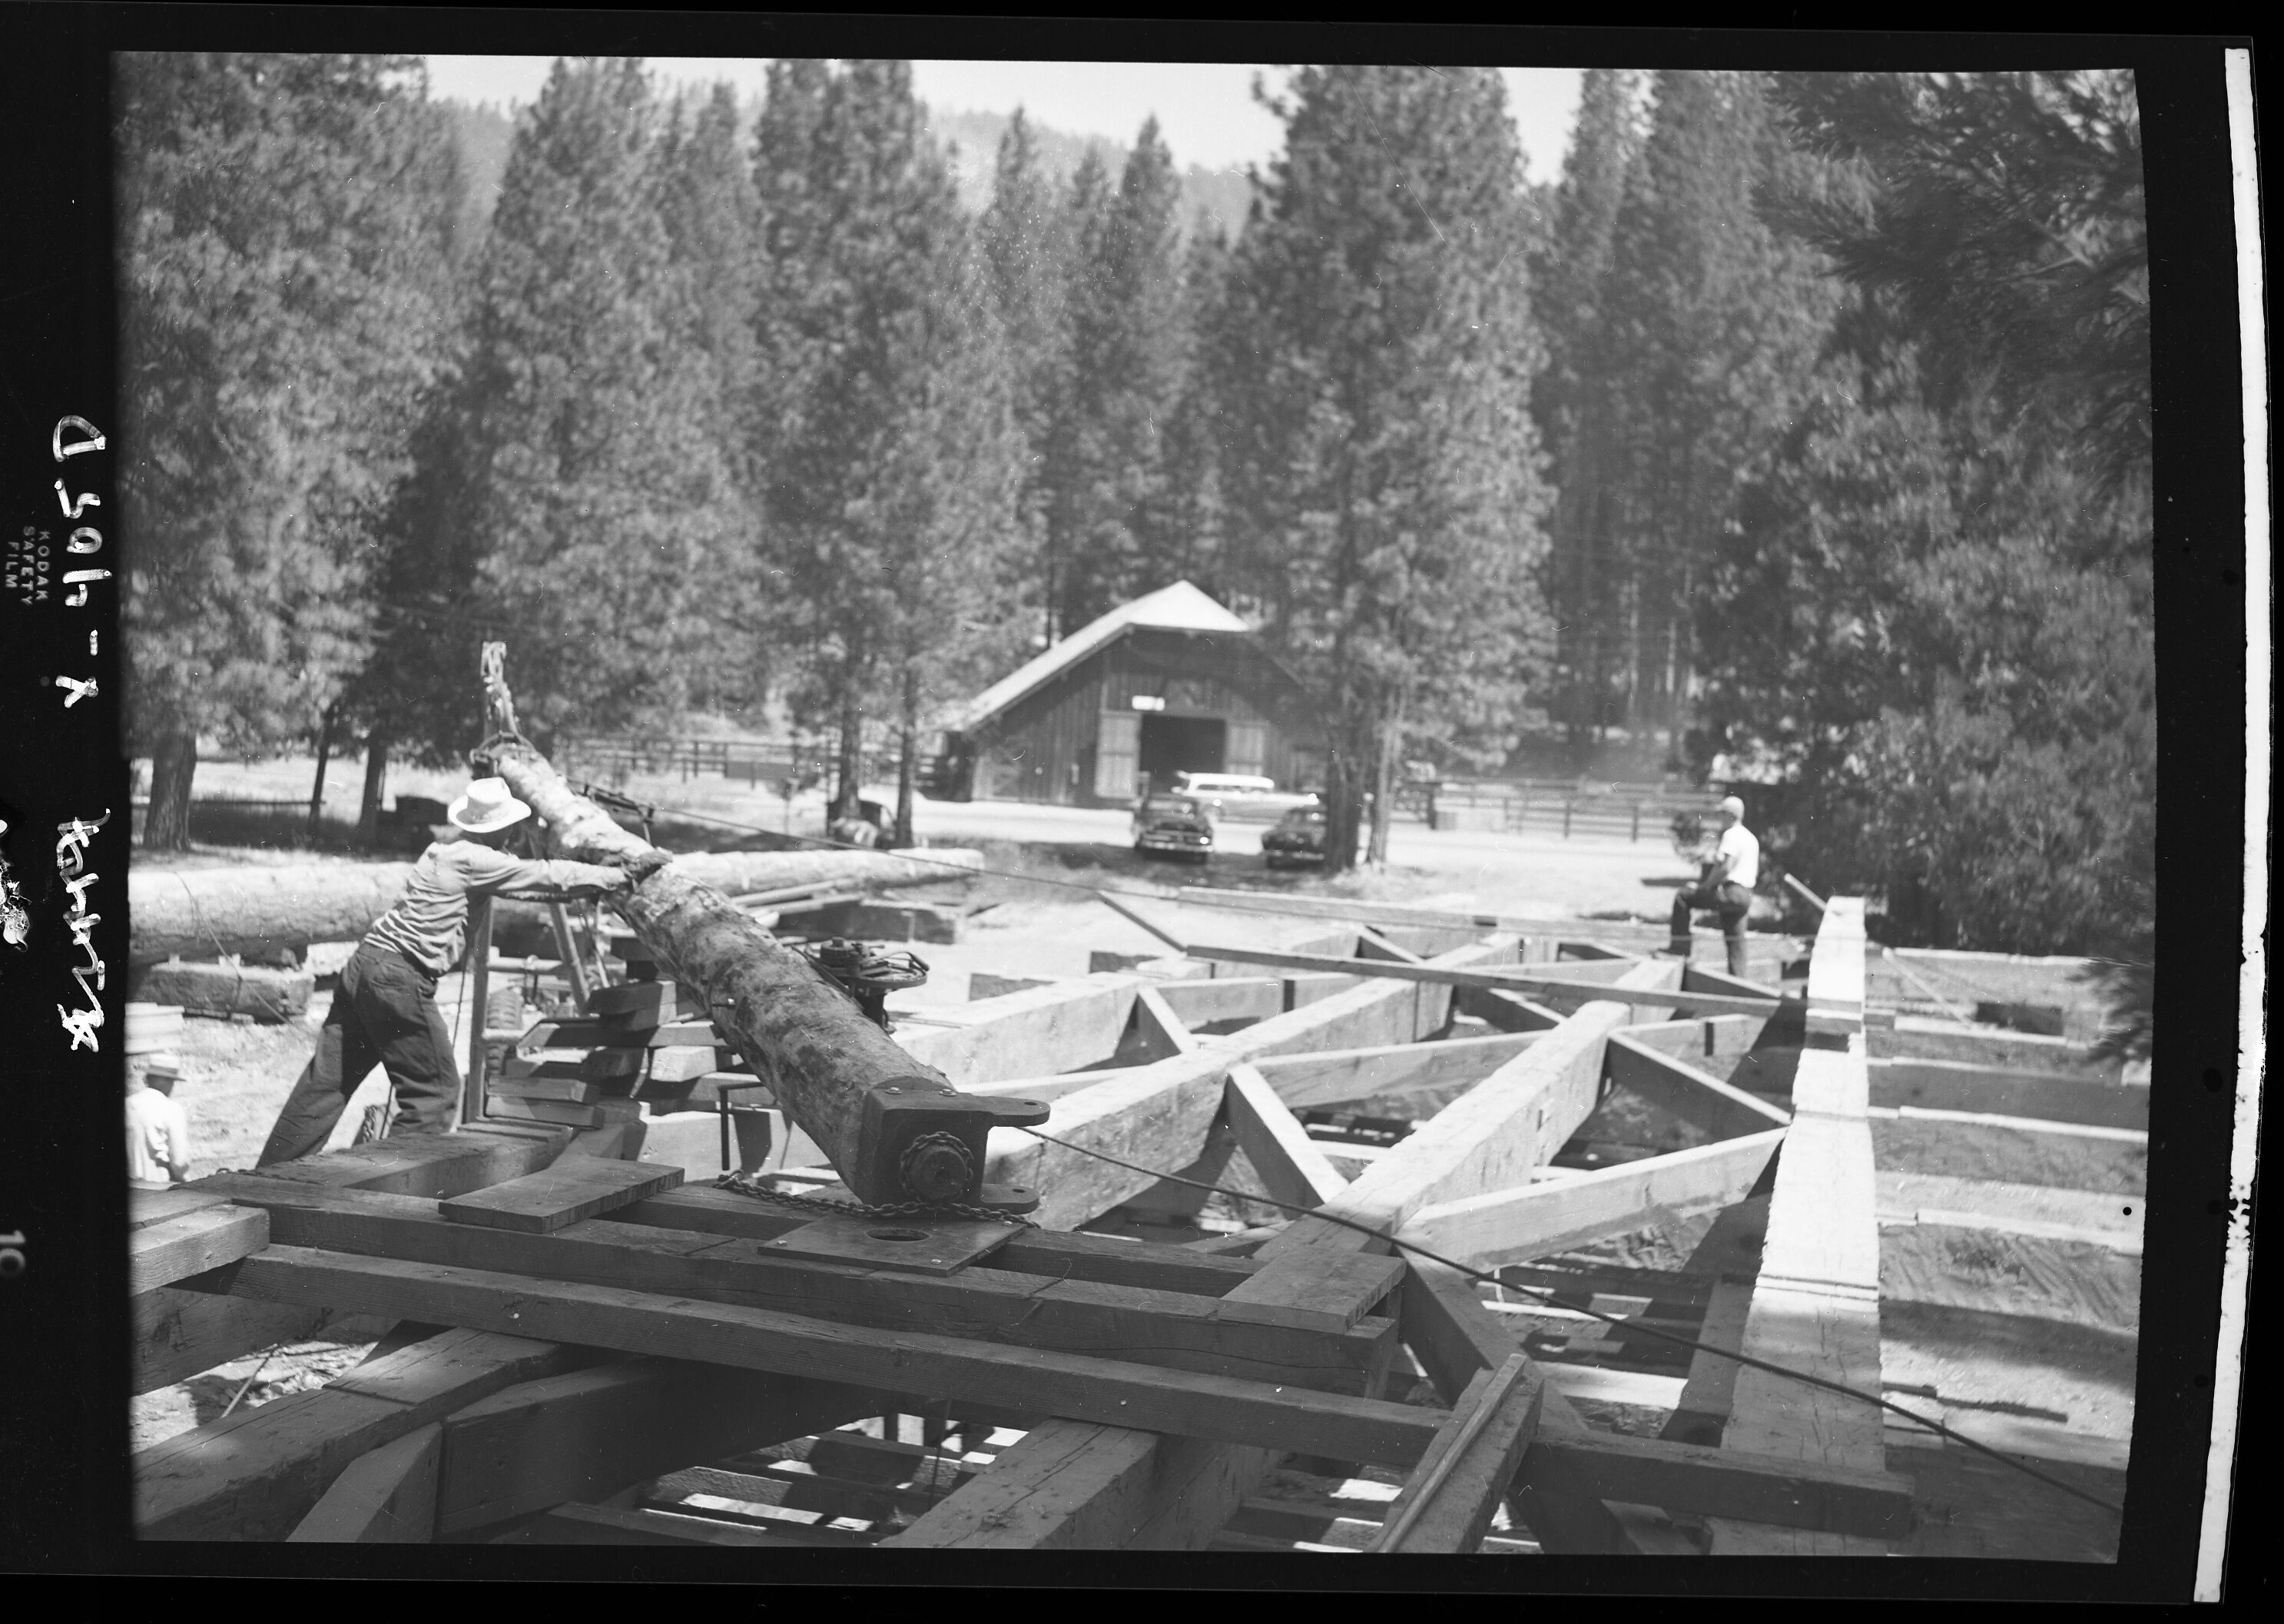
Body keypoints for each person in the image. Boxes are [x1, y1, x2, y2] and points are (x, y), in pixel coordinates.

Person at [256, 777, 652, 1167]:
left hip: (364, 966)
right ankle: (391, 1187)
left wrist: (589, 883)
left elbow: (528, 885)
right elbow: (544, 875)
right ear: (505, 827)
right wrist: (619, 876)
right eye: (513, 825)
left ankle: (267, 1176)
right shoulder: (479, 860)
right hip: (399, 979)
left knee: (325, 1084)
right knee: (436, 1091)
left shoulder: (442, 853)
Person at [1669, 794, 1759, 977]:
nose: (1720, 819)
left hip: (1732, 891)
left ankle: (1680, 948)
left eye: (1722, 815)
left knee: (1683, 896)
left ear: (1731, 815)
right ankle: (1739, 983)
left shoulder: (1731, 835)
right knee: (1736, 941)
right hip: (1746, 895)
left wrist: (1704, 887)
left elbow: (1726, 867)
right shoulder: (1751, 838)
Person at [127, 1052, 193, 1186]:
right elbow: (179, 1162)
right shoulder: (172, 1109)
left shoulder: (127, 1104)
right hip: (158, 1189)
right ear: (168, 1081)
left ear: (148, 1079)